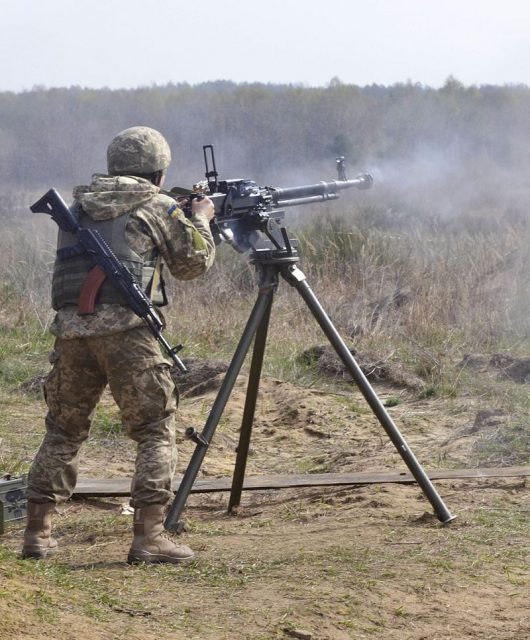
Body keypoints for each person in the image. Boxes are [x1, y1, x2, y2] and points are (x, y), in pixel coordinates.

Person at [22, 126, 215, 564]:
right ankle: (149, 536)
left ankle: (37, 533)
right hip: (128, 334)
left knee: (63, 430)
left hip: (72, 333)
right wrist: (200, 219)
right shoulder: (157, 206)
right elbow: (192, 264)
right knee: (153, 429)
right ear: (158, 171)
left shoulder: (78, 207)